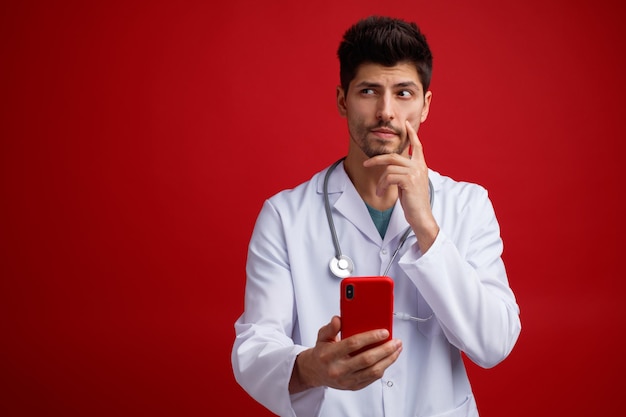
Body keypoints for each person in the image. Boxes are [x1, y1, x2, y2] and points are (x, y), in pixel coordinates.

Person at [231, 15, 521, 417]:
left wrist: (426, 226)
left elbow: (494, 343)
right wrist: (310, 367)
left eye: (404, 93)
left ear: (425, 106)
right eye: (369, 90)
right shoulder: (284, 215)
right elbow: (255, 346)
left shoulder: (468, 205)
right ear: (342, 100)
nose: (386, 111)